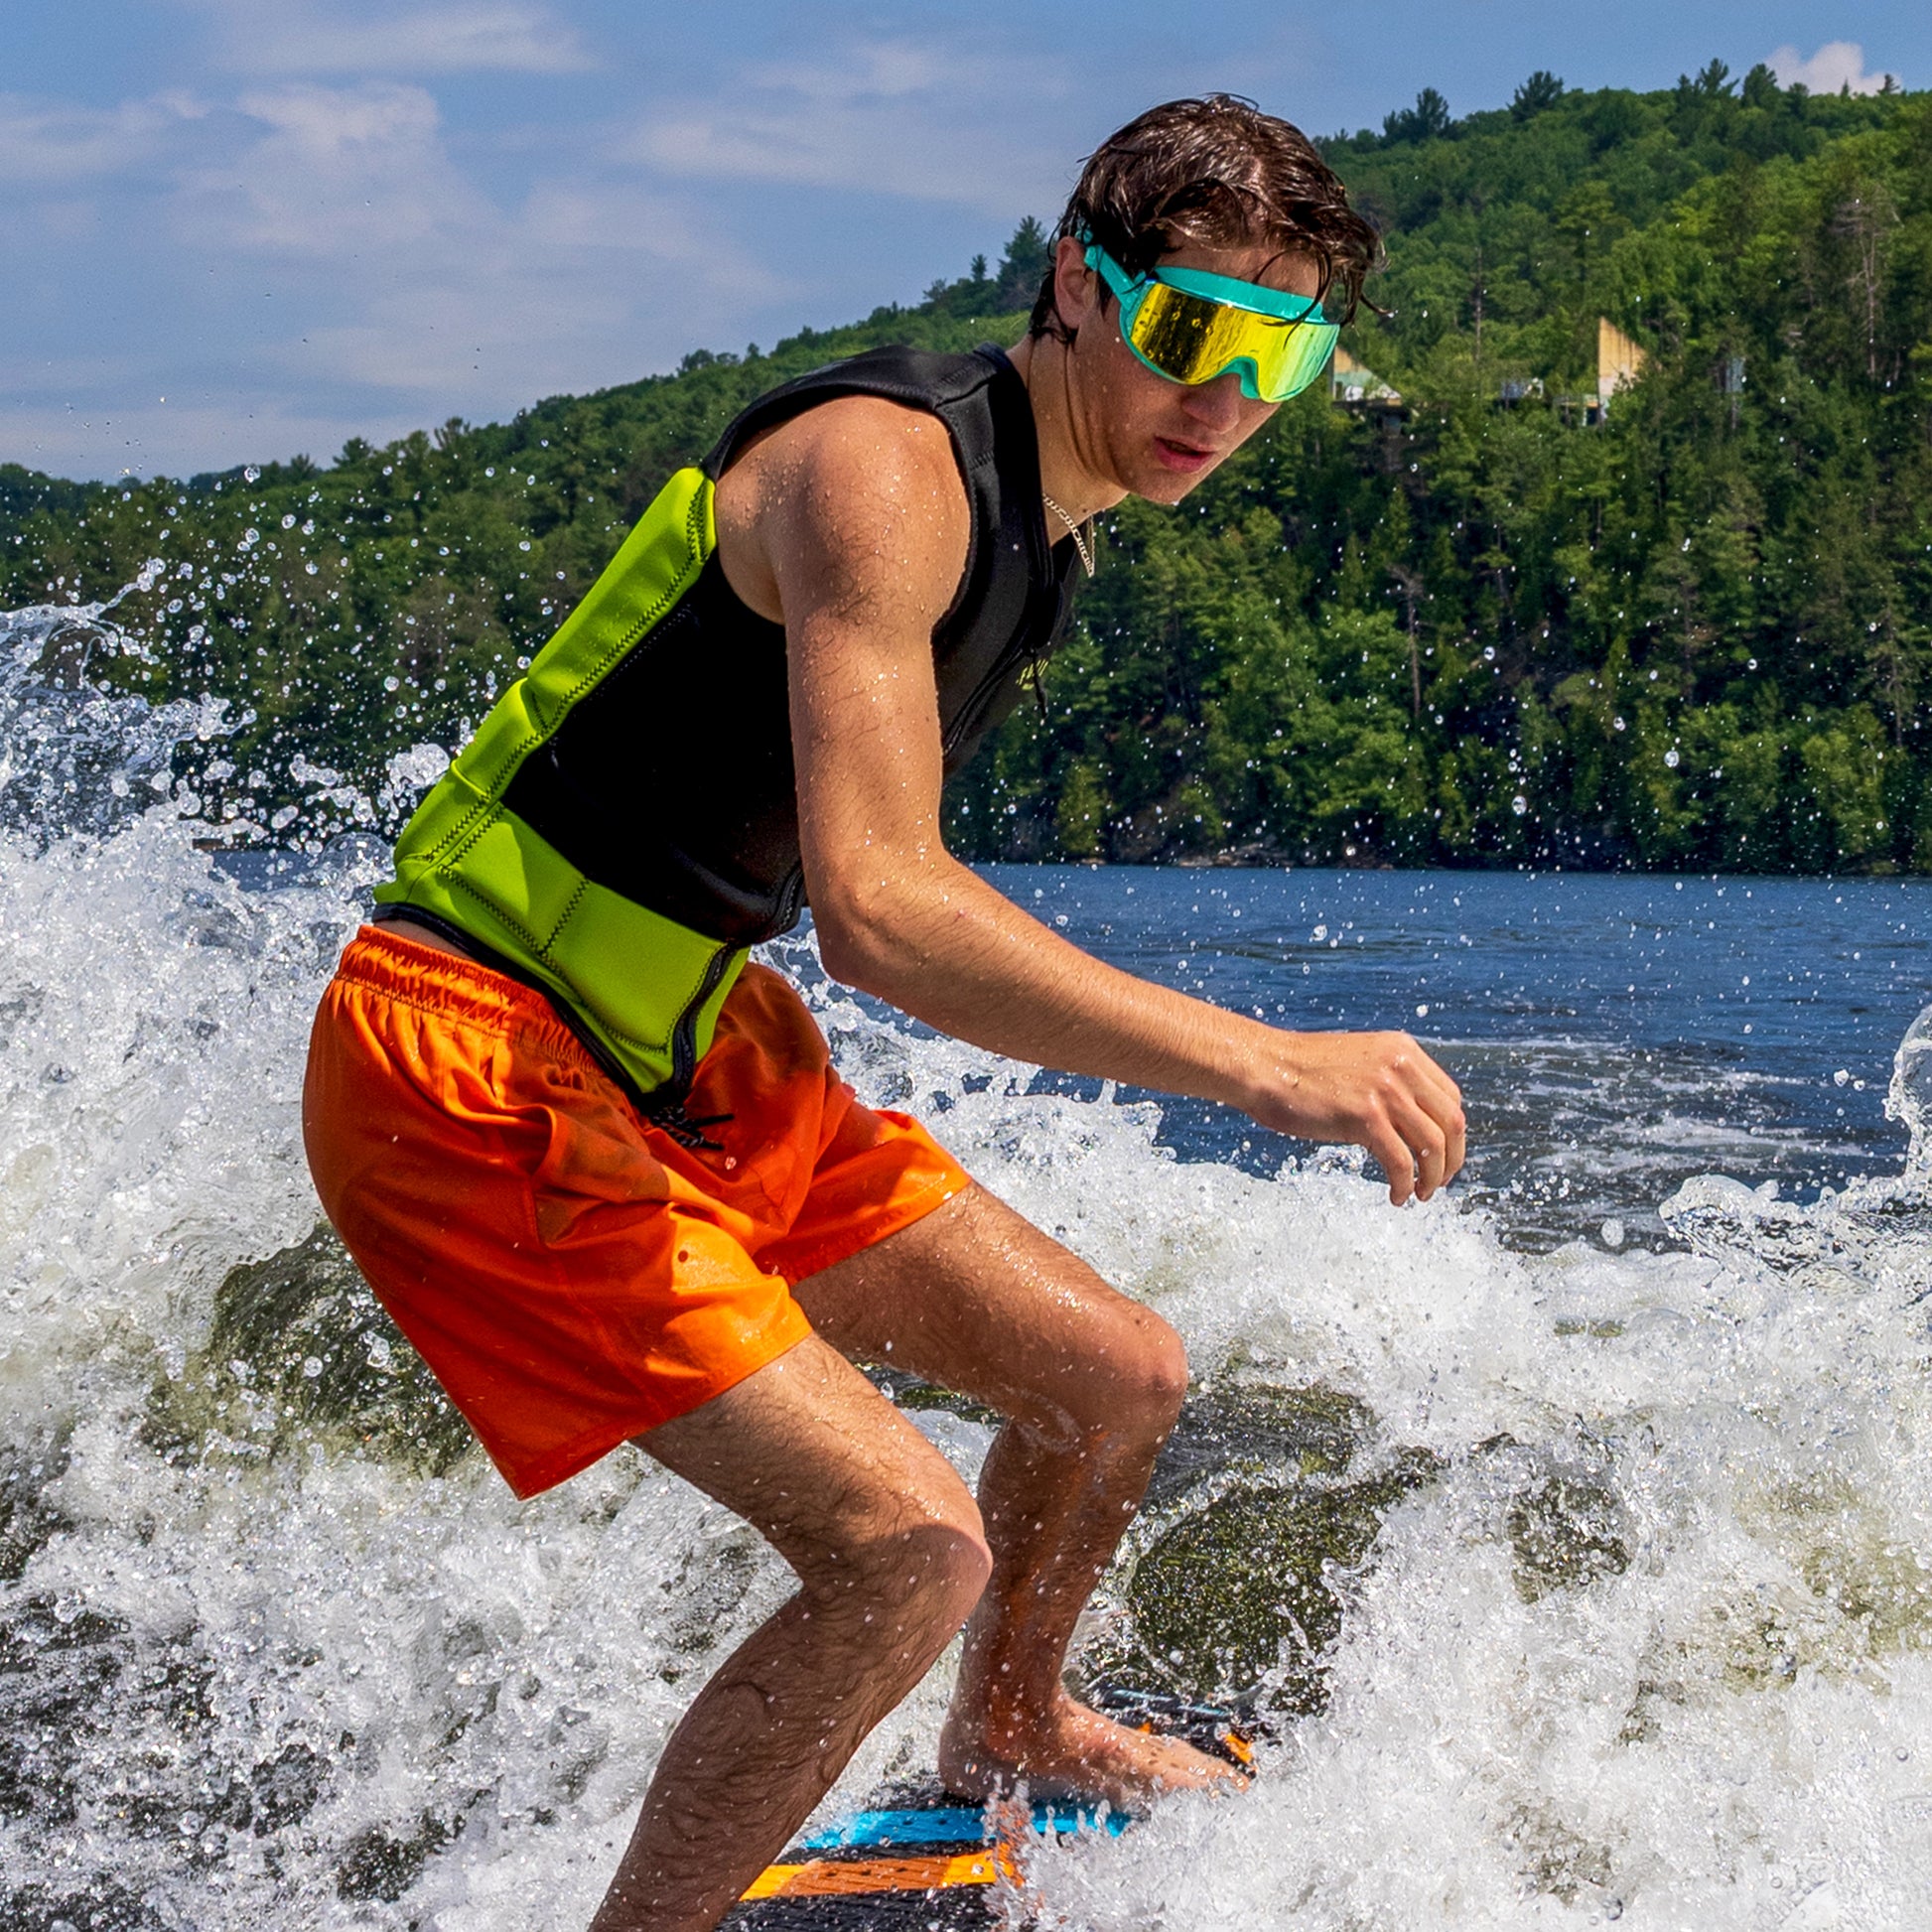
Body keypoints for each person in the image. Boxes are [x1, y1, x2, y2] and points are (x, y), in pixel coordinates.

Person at [302, 93, 1465, 1932]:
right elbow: (885, 909)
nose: (1230, 399)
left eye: (1286, 359)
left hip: (680, 1043)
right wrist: (1259, 1060)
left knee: (1111, 1383)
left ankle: (1014, 1733)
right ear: (1078, 284)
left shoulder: (1053, 519)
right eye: (1193, 333)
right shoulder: (884, 471)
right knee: (904, 1546)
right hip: (468, 1045)